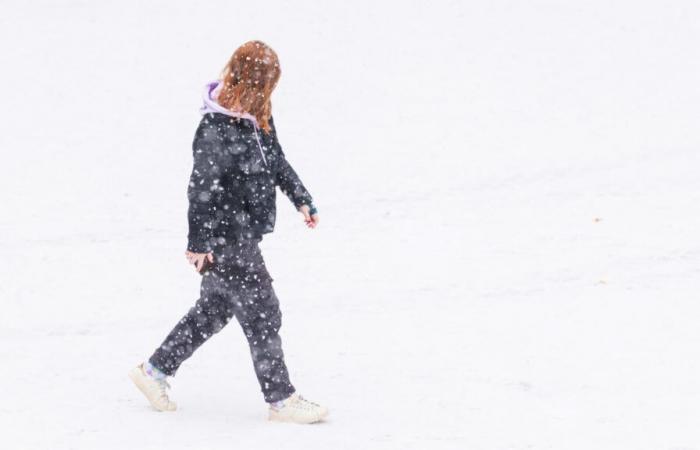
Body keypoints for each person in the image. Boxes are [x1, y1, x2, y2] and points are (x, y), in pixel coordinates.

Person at [128, 40, 328, 424]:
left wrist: (301, 198)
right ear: (250, 80)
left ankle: (153, 372)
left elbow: (277, 161)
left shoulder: (258, 118)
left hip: (243, 234)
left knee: (213, 311)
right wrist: (198, 244)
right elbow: (200, 189)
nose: (269, 92)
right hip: (226, 236)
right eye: (266, 84)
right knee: (263, 311)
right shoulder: (214, 127)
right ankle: (281, 399)